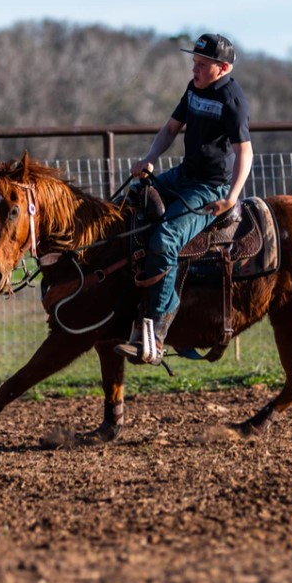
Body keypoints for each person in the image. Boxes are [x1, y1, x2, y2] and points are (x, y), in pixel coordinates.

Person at [114, 33, 254, 365]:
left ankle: (158, 335)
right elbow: (170, 129)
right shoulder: (194, 89)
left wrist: (231, 197)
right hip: (183, 175)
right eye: (194, 63)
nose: (195, 69)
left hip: (210, 188)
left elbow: (244, 152)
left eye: (202, 65)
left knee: (165, 239)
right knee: (131, 202)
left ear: (222, 68)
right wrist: (149, 158)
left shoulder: (233, 101)